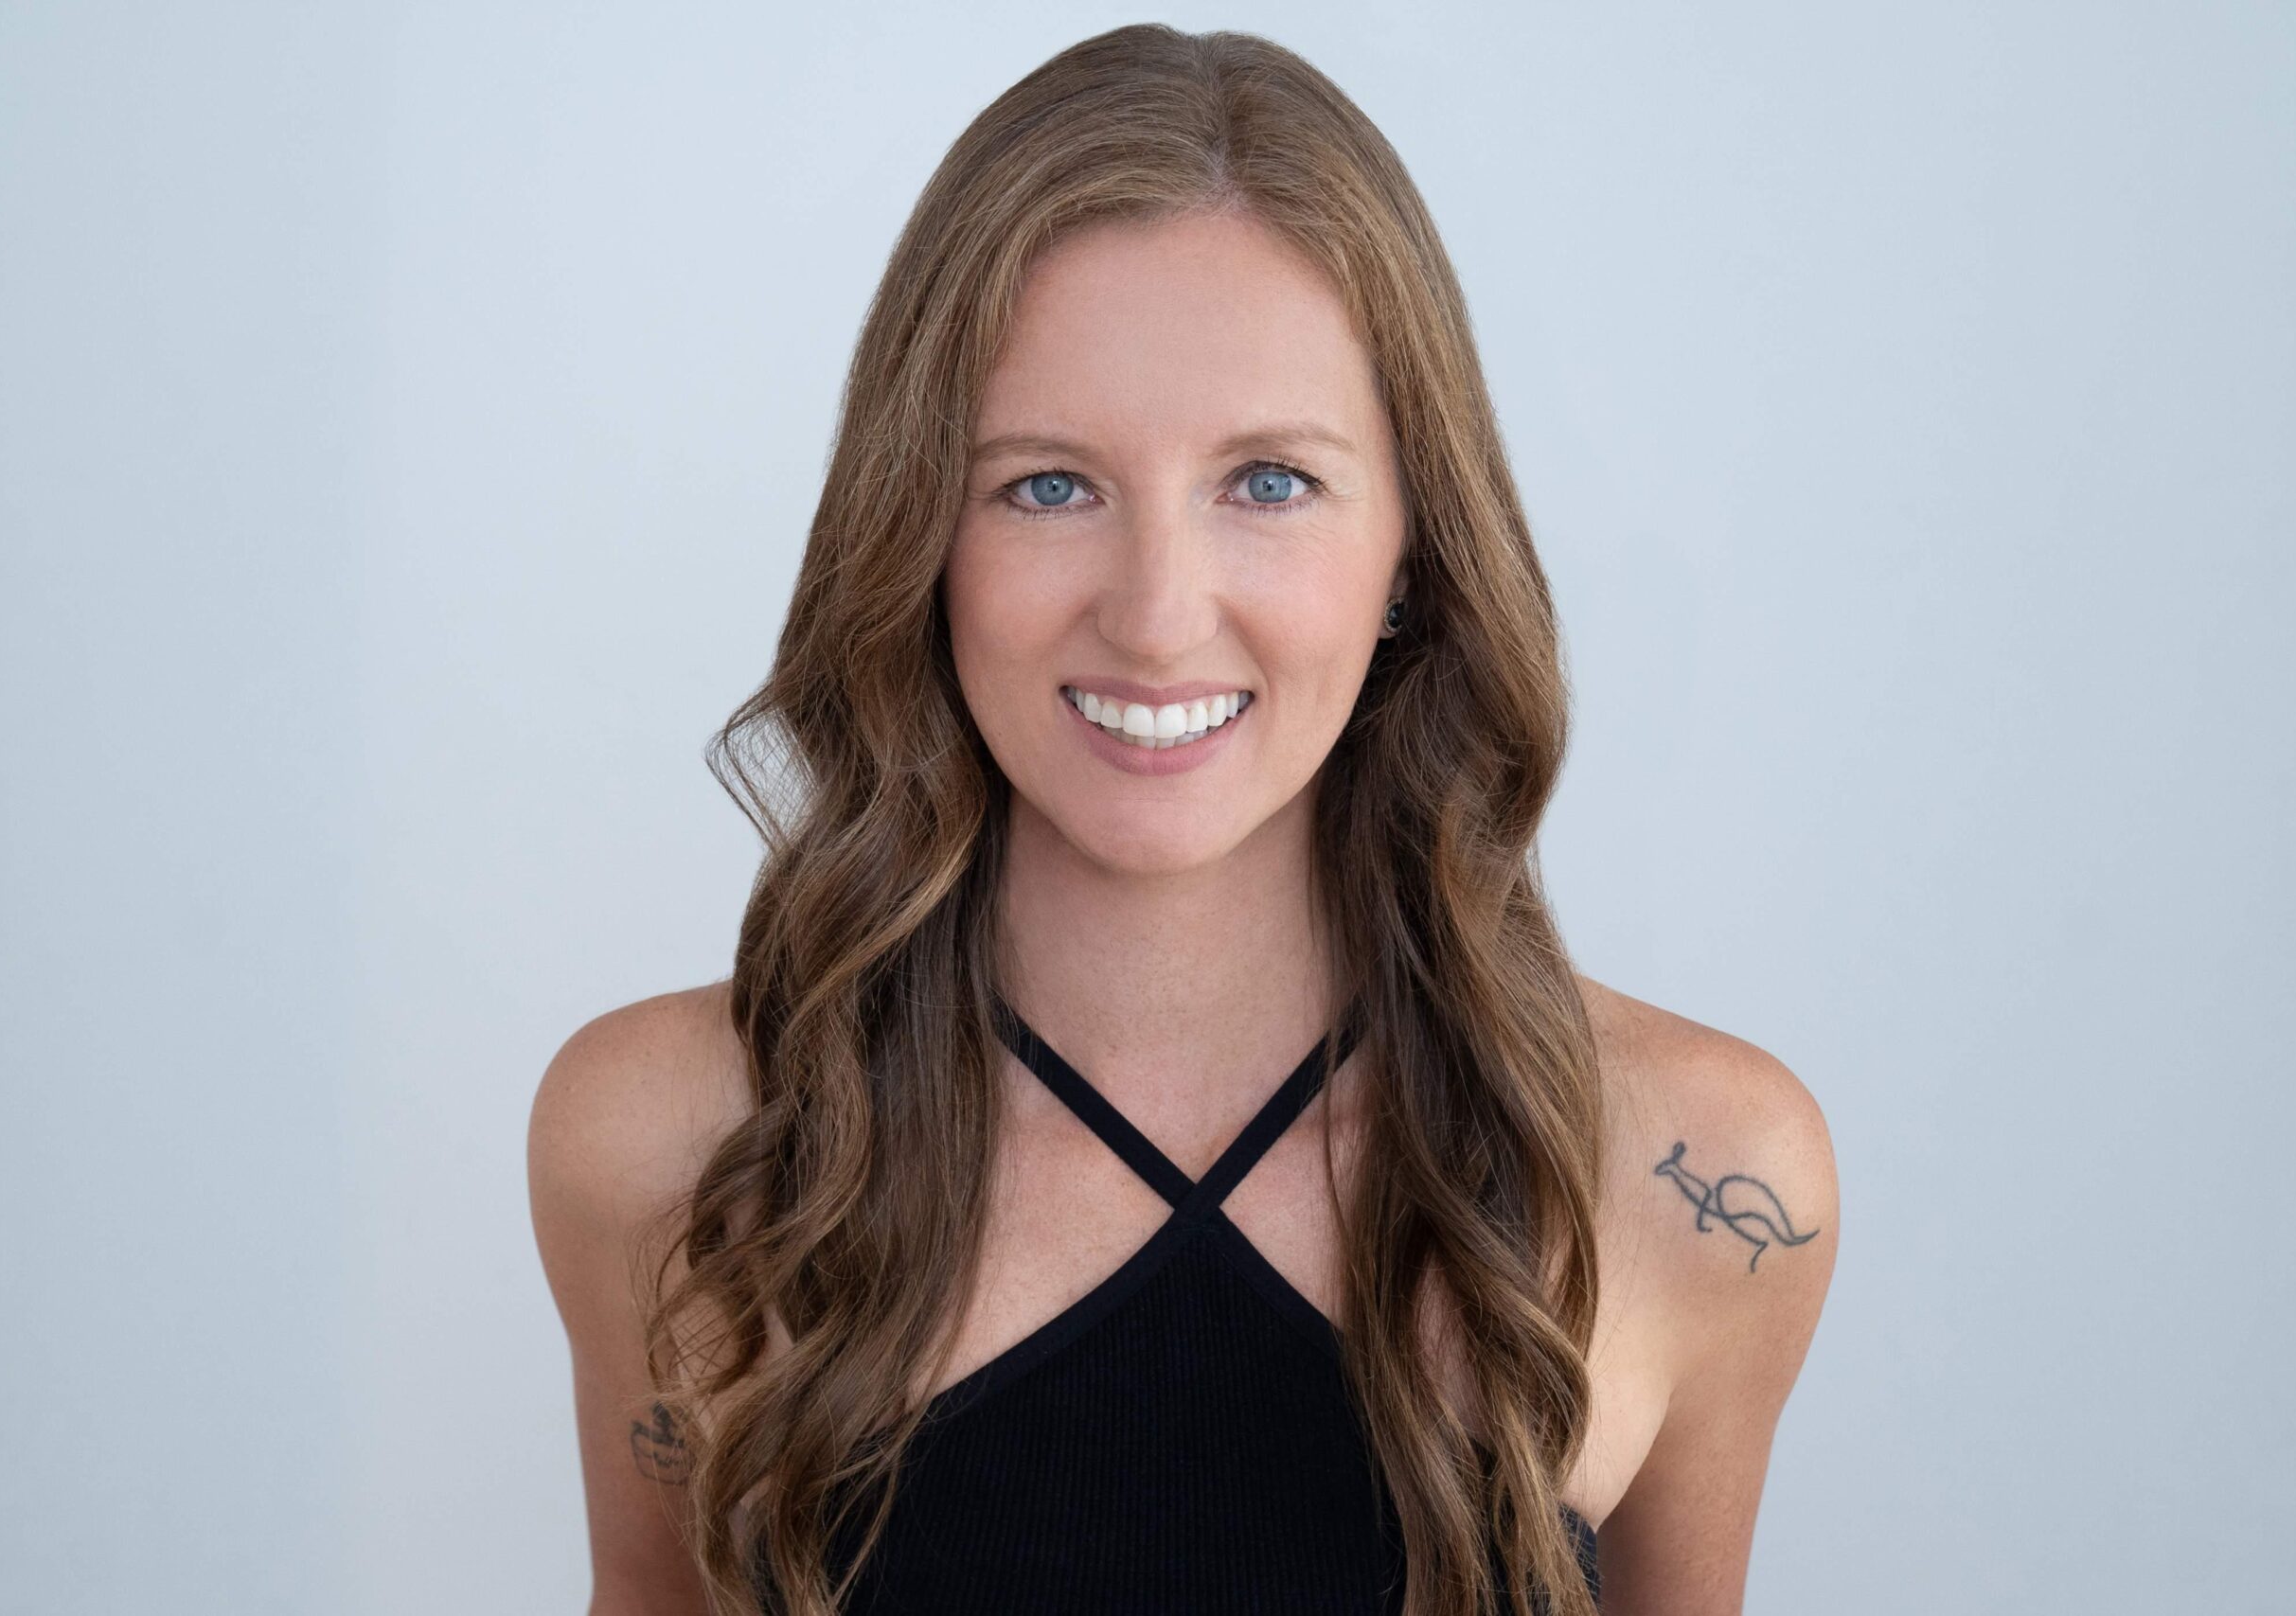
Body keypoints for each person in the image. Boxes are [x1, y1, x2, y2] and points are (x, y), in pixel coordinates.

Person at [528, 23, 1838, 1616]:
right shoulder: (669, 1147)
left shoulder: (1702, 1186)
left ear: (1416, 541)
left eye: (1269, 482)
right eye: (1047, 485)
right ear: (919, 531)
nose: (1155, 619)